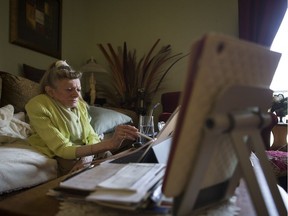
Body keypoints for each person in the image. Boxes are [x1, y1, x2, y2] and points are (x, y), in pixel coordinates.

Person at [25, 60, 139, 175]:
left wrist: (87, 157)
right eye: (69, 90)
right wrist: (109, 143)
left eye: (78, 89)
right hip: (61, 152)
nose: (76, 95)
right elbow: (62, 149)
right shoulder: (38, 105)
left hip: (82, 150)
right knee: (73, 167)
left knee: (108, 157)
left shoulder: (79, 104)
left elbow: (91, 135)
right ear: (50, 91)